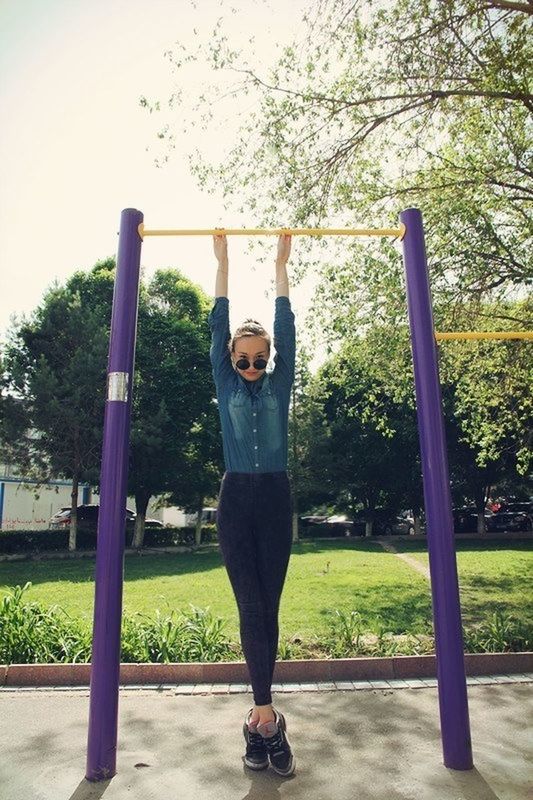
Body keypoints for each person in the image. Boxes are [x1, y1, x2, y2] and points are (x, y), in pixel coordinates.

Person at [209, 232, 296, 777]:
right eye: (242, 360)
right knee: (251, 605)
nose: (250, 367)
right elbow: (218, 325)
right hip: (237, 498)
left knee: (271, 605)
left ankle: (260, 719)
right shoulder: (225, 380)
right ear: (231, 360)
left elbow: (286, 327)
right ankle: (265, 717)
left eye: (258, 359)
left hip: (275, 497)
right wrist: (223, 265)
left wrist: (280, 267)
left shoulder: (279, 383)